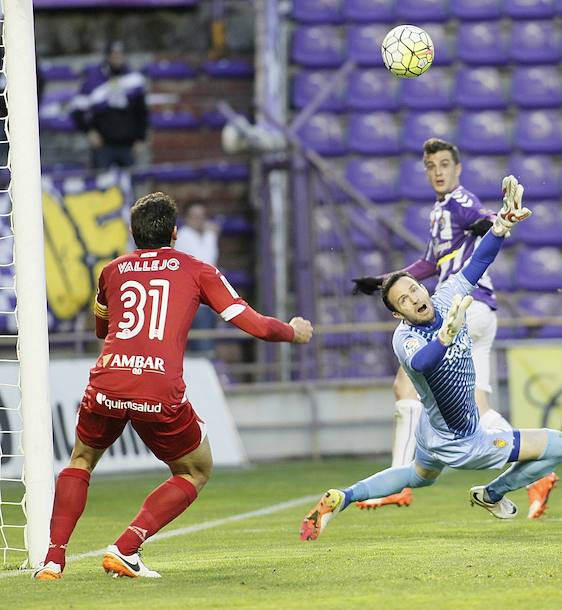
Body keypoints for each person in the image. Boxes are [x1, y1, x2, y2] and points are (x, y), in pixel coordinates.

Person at [33, 192, 314, 580]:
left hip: (107, 381)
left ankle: (52, 560)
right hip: (156, 387)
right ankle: (126, 547)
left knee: (81, 460)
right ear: (175, 233)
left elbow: (102, 328)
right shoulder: (197, 270)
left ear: (133, 235)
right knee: (195, 470)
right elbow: (254, 325)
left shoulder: (111, 271)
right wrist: (293, 332)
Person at [300, 176, 562, 540]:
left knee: (417, 476)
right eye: (403, 301)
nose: (413, 298)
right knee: (557, 445)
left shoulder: (444, 298)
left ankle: (343, 496)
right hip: (463, 441)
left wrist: (502, 224)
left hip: (432, 431)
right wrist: (445, 336)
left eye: (413, 289)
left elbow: (477, 263)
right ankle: (491, 494)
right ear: (398, 314)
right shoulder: (405, 338)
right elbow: (424, 363)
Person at [350, 138, 558, 513]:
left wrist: (493, 224)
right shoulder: (440, 210)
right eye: (432, 166)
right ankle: (533, 470)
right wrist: (382, 281)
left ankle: (401, 479)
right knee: (476, 405)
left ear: (457, 169)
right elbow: (427, 265)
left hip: (459, 308)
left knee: (405, 384)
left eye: (445, 164)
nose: (439, 172)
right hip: (479, 311)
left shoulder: (460, 203)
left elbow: (478, 222)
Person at [71, 41, 148, 170]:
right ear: (107, 56)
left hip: (128, 144)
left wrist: (140, 138)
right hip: (103, 145)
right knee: (103, 185)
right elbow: (78, 109)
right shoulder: (94, 80)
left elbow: (141, 111)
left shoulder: (134, 80)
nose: (117, 58)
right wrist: (89, 131)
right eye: (114, 54)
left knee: (129, 186)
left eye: (120, 54)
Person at [176, 202, 220, 355]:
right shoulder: (183, 237)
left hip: (207, 302)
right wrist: (211, 234)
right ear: (187, 218)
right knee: (202, 350)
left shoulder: (206, 236)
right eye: (194, 217)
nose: (198, 220)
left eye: (202, 217)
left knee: (205, 348)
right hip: (192, 303)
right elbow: (205, 262)